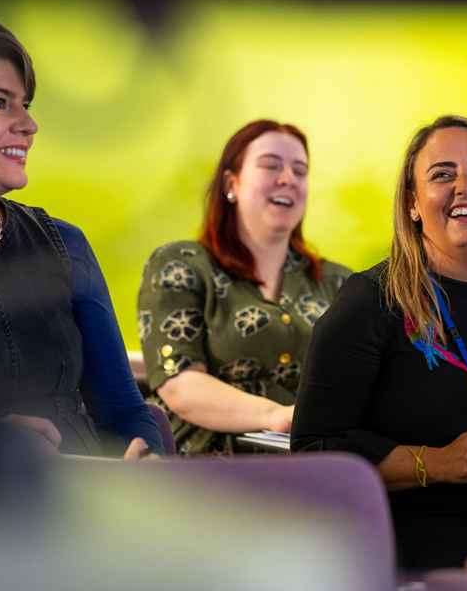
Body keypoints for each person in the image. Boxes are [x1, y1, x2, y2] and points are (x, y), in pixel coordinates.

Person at [291, 115, 467, 569]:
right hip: (420, 552)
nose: (465, 186)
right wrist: (436, 462)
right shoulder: (372, 302)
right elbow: (312, 449)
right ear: (413, 204)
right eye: (442, 174)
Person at [0, 17, 163, 458]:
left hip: (81, 504)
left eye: (25, 104)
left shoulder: (66, 245)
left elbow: (124, 411)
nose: (28, 124)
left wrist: (144, 460)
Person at [138, 120, 352, 456]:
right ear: (231, 183)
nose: (288, 179)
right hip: (197, 465)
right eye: (270, 165)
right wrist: (276, 415)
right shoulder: (181, 264)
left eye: (300, 170)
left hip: (307, 466)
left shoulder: (341, 283)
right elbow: (179, 385)